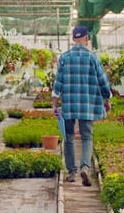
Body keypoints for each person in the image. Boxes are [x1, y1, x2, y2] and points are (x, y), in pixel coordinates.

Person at [51, 25, 112, 187]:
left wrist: (55, 104)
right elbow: (103, 82)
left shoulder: (64, 57)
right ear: (86, 39)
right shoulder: (93, 58)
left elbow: (58, 83)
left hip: (69, 105)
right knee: (87, 137)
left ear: (73, 39)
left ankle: (72, 172)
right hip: (88, 105)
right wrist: (107, 99)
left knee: (69, 138)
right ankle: (85, 167)